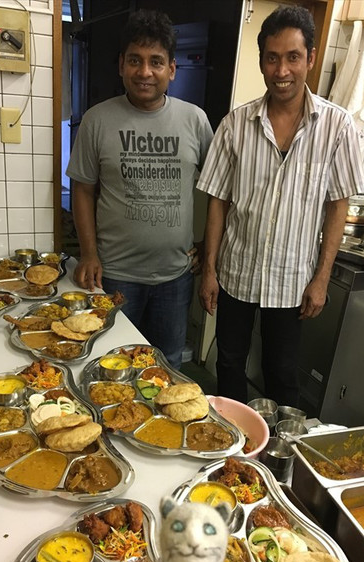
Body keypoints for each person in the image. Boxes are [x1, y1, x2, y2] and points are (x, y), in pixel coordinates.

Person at [197, 6, 364, 406]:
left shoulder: (337, 127)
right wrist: (209, 270)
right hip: (236, 273)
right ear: (261, 62)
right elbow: (217, 201)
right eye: (272, 58)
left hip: (292, 281)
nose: (282, 70)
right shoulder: (235, 124)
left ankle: (277, 444)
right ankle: (234, 439)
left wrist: (322, 279)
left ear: (310, 58)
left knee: (282, 374)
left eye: (293, 57)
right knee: (229, 363)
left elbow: (337, 206)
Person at [66, 9, 213, 370]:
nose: (145, 72)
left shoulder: (195, 120)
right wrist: (88, 254)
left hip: (175, 277)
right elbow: (82, 190)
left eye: (156, 62)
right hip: (114, 274)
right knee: (107, 365)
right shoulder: (97, 120)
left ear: (171, 69)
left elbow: (218, 191)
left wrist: (208, 247)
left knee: (167, 366)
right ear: (121, 65)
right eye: (135, 60)